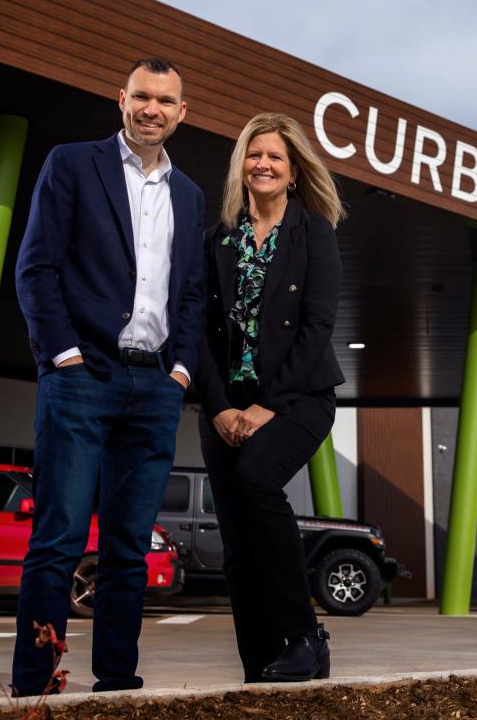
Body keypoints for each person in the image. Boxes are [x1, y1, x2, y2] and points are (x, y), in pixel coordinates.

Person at [11, 57, 204, 695]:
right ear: (121, 99)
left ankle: (117, 680)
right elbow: (36, 268)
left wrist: (179, 369)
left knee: (128, 546)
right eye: (142, 96)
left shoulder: (190, 195)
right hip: (82, 377)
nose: (152, 109)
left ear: (183, 112)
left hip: (154, 387)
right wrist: (61, 353)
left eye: (165, 100)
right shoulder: (71, 163)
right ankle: (35, 683)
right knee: (60, 535)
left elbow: (193, 292)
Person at [196, 112, 347, 683]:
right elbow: (201, 330)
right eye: (253, 155)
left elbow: (317, 328)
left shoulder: (314, 232)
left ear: (292, 171)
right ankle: (260, 663)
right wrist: (219, 407)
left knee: (256, 482)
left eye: (274, 157)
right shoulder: (218, 240)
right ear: (242, 166)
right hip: (225, 407)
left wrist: (268, 405)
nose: (262, 164)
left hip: (299, 399)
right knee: (236, 536)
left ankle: (305, 636)